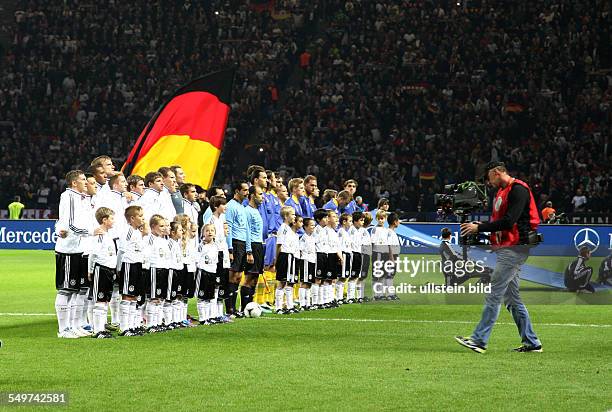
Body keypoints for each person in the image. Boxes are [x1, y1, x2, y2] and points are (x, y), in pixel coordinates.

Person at [456, 161, 542, 354]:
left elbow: (510, 221)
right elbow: (500, 221)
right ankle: (532, 342)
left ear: (497, 173)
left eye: (489, 177)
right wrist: (483, 226)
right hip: (508, 248)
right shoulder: (503, 191)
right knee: (512, 298)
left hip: (515, 249)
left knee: (494, 293)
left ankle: (479, 340)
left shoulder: (518, 189)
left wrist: (480, 228)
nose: (488, 181)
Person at [54, 170, 102, 338]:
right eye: (83, 180)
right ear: (74, 183)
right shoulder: (69, 197)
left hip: (78, 249)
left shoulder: (81, 198)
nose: (86, 182)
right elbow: (71, 225)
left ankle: (74, 326)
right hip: (68, 249)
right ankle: (63, 329)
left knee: (76, 290)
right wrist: (91, 231)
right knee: (66, 290)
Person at [116, 205, 148, 336]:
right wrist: (118, 268)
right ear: (132, 218)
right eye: (140, 216)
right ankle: (124, 328)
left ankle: (131, 326)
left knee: (134, 296)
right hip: (128, 265)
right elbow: (122, 251)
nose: (143, 218)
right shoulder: (128, 231)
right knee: (127, 295)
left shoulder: (137, 232)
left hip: (137, 265)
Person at [88, 207, 118, 339]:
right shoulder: (99, 234)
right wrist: (90, 270)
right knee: (100, 301)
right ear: (104, 220)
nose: (114, 221)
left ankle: (102, 328)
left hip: (109, 270)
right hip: (101, 269)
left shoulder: (108, 234)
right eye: (111, 218)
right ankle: (97, 330)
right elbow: (93, 253)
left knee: (105, 301)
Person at [225, 181, 252, 317]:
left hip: (242, 244)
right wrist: (230, 249)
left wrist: (249, 250)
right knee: (232, 276)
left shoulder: (242, 206)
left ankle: (234, 308)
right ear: (237, 191)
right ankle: (229, 309)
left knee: (239, 276)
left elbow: (246, 229)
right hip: (235, 243)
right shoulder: (230, 206)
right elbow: (228, 228)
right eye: (245, 190)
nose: (247, 193)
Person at [242, 185, 265, 312]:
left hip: (259, 245)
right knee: (249, 277)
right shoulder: (247, 211)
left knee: (256, 277)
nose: (262, 197)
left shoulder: (256, 210)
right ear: (252, 196)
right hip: (253, 246)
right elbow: (247, 232)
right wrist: (249, 251)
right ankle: (244, 307)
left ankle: (251, 305)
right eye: (260, 194)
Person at [274, 206, 298, 314]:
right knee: (282, 282)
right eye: (292, 214)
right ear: (285, 216)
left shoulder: (289, 229)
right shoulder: (283, 228)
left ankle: (289, 305)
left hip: (291, 256)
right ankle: (278, 307)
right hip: (284, 256)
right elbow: (279, 245)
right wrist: (277, 259)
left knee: (290, 281)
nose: (294, 216)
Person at [298, 217, 317, 310]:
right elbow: (300, 250)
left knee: (309, 283)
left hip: (312, 260)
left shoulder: (313, 237)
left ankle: (308, 303)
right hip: (306, 260)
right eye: (311, 225)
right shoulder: (304, 238)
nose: (313, 227)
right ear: (305, 227)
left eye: (314, 225)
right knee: (305, 282)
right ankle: (302, 304)